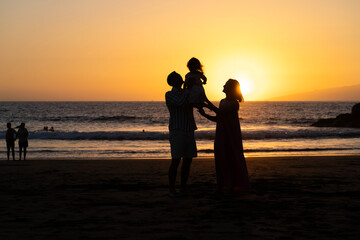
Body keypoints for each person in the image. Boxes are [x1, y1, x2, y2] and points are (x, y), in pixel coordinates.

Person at [198, 79, 250, 193]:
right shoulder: (223, 101)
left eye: (226, 85)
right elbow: (219, 119)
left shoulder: (234, 103)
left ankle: (232, 184)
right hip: (222, 133)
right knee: (221, 158)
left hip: (231, 135)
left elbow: (221, 113)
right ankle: (223, 183)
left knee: (232, 157)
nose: (223, 85)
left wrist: (206, 102)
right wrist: (205, 114)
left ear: (230, 88)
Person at [165, 71, 197, 197]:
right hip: (177, 131)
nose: (180, 78)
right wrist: (188, 90)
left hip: (189, 130)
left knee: (188, 160)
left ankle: (183, 187)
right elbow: (179, 102)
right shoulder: (169, 94)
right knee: (176, 160)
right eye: (177, 77)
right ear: (172, 82)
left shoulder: (187, 92)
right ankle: (172, 189)